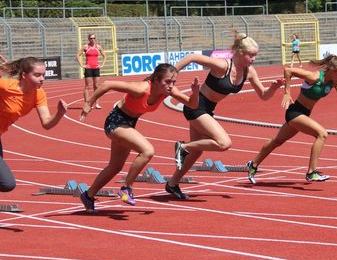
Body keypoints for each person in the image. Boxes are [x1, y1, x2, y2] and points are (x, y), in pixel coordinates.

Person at [168, 32, 284, 200]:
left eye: (255, 56)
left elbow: (264, 95)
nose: (254, 59)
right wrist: (171, 75)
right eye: (251, 55)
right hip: (196, 106)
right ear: (239, 53)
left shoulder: (249, 72)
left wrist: (274, 88)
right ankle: (183, 147)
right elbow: (192, 57)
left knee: (197, 151)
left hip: (208, 109)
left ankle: (172, 184)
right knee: (224, 143)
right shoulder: (222, 66)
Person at [78, 63, 199, 213]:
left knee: (115, 167)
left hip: (129, 124)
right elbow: (107, 84)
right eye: (167, 81)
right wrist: (88, 103)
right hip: (115, 122)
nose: (170, 86)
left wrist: (195, 93)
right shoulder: (141, 88)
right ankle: (126, 189)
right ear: (155, 80)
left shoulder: (168, 91)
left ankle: (88, 196)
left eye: (173, 82)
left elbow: (192, 104)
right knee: (147, 150)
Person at [246, 54, 337, 184]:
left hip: (304, 114)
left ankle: (253, 165)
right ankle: (311, 173)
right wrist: (287, 92)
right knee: (322, 134)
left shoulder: (335, 83)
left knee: (277, 141)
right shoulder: (314, 76)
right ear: (332, 70)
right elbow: (288, 70)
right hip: (295, 112)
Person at [0, 56, 67, 192]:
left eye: (43, 75)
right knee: (7, 183)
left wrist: (59, 113)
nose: (42, 78)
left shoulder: (39, 94)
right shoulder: (6, 86)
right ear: (24, 75)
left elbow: (47, 123)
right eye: (37, 75)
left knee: (6, 184)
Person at [76, 34, 107, 109]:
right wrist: (82, 65)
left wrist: (102, 64)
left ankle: (97, 104)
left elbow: (104, 55)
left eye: (94, 38)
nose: (92, 39)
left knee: (96, 86)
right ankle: (87, 104)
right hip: (88, 68)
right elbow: (77, 55)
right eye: (91, 38)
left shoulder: (98, 47)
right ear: (88, 39)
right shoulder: (86, 47)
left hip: (96, 68)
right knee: (87, 86)